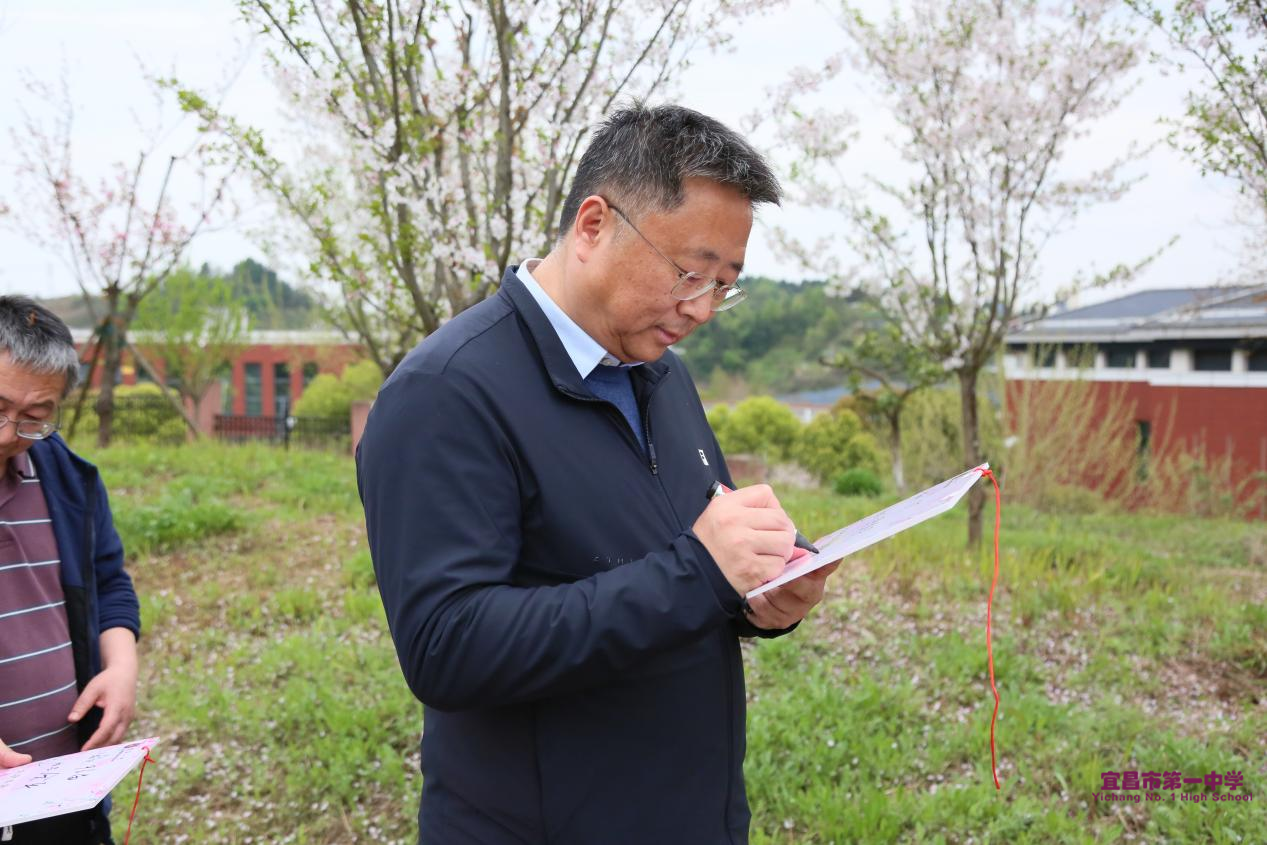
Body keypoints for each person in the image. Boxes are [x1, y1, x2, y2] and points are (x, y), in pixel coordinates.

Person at [357, 104, 838, 844]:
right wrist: (702, 573)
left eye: (724, 284)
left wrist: (759, 591)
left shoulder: (661, 376)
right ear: (592, 225)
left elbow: (681, 554)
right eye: (689, 273)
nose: (701, 309)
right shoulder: (447, 391)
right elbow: (446, 646)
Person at [0, 297, 141, 845]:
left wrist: (121, 666)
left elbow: (109, 581)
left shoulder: (66, 476)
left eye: (35, 417)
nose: (9, 432)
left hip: (65, 789)